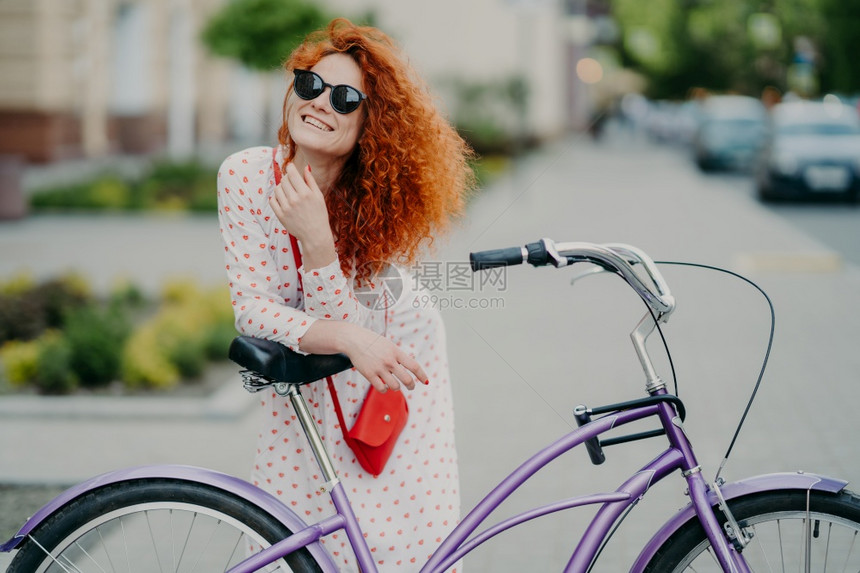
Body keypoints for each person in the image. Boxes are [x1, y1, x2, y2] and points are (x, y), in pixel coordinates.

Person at [216, 17, 474, 572]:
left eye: (344, 97)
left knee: (398, 542)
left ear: (372, 125)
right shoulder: (246, 177)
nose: (318, 102)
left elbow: (350, 348)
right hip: (320, 374)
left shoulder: (375, 205)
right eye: (310, 84)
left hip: (391, 374)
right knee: (293, 541)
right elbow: (254, 311)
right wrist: (349, 334)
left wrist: (316, 241)